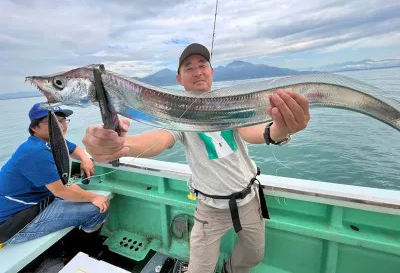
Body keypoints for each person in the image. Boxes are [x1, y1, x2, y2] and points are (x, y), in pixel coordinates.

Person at [82, 43, 310, 273]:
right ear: (179, 79)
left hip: (249, 200)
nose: (198, 71)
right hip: (210, 207)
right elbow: (160, 138)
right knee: (199, 269)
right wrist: (121, 145)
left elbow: (253, 132)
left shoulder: (229, 106)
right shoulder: (177, 113)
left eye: (203, 65)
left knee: (254, 254)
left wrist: (280, 130)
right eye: (189, 67)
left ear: (211, 71)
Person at [0, 102, 110, 257]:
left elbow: (74, 149)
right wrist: (94, 197)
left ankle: (72, 244)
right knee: (97, 209)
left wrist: (86, 159)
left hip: (38, 204)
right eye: (53, 122)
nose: (61, 125)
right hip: (15, 223)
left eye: (63, 120)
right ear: (34, 128)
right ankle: (81, 252)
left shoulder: (51, 143)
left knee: (84, 199)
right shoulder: (35, 151)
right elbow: (61, 190)